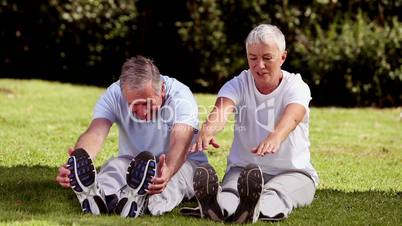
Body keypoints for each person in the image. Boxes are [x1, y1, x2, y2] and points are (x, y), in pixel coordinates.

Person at [189, 24, 319, 223]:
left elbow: (293, 116)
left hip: (293, 172)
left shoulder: (297, 86)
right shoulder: (238, 84)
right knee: (231, 191)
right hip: (243, 169)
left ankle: (254, 207)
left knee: (277, 193)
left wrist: (276, 136)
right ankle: (217, 206)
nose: (259, 65)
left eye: (267, 58)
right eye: (253, 58)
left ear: (283, 57)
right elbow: (221, 111)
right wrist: (208, 129)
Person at [56, 55, 207, 217]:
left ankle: (143, 202)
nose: (142, 112)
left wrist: (168, 170)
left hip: (183, 162)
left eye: (147, 103)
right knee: (114, 168)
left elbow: (181, 141)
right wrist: (77, 162)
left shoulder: (181, 96)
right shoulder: (114, 93)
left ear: (162, 90)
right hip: (135, 164)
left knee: (170, 183)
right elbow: (96, 132)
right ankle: (100, 197)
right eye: (133, 105)